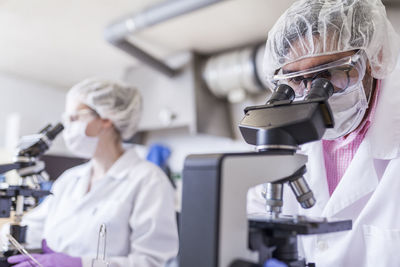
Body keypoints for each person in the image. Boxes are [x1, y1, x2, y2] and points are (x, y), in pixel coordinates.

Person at [247, 0, 400, 266]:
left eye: (328, 74)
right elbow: (253, 215)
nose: (311, 95)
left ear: (376, 57)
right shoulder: (285, 137)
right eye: (295, 80)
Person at [7, 79, 179, 267]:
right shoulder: (70, 179)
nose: (68, 130)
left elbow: (151, 262)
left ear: (106, 118)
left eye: (74, 118)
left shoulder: (149, 180)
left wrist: (81, 264)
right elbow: (30, 230)